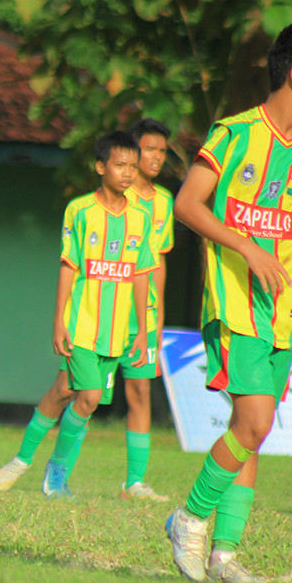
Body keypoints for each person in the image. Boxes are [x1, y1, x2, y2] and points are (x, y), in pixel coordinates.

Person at [166, 23, 292, 583]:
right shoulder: (234, 134)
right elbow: (187, 204)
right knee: (253, 421)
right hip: (235, 303)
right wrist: (247, 247)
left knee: (253, 428)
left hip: (283, 310)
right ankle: (189, 518)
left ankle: (224, 555)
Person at [0, 131, 156, 499]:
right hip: (82, 326)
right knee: (89, 397)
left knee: (64, 391)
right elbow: (69, 267)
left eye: (133, 166)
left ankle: (22, 458)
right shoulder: (80, 211)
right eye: (120, 165)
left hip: (116, 334)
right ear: (100, 167)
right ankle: (55, 473)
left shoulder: (142, 218)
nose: (127, 173)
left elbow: (141, 274)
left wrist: (143, 331)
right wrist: (58, 321)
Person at [116, 118, 174, 501]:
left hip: (146, 315)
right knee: (80, 392)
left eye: (162, 151)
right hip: (109, 308)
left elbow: (159, 262)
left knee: (140, 390)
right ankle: (54, 470)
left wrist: (159, 317)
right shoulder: (116, 195)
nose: (157, 157)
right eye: (150, 149)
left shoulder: (165, 201)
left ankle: (134, 483)